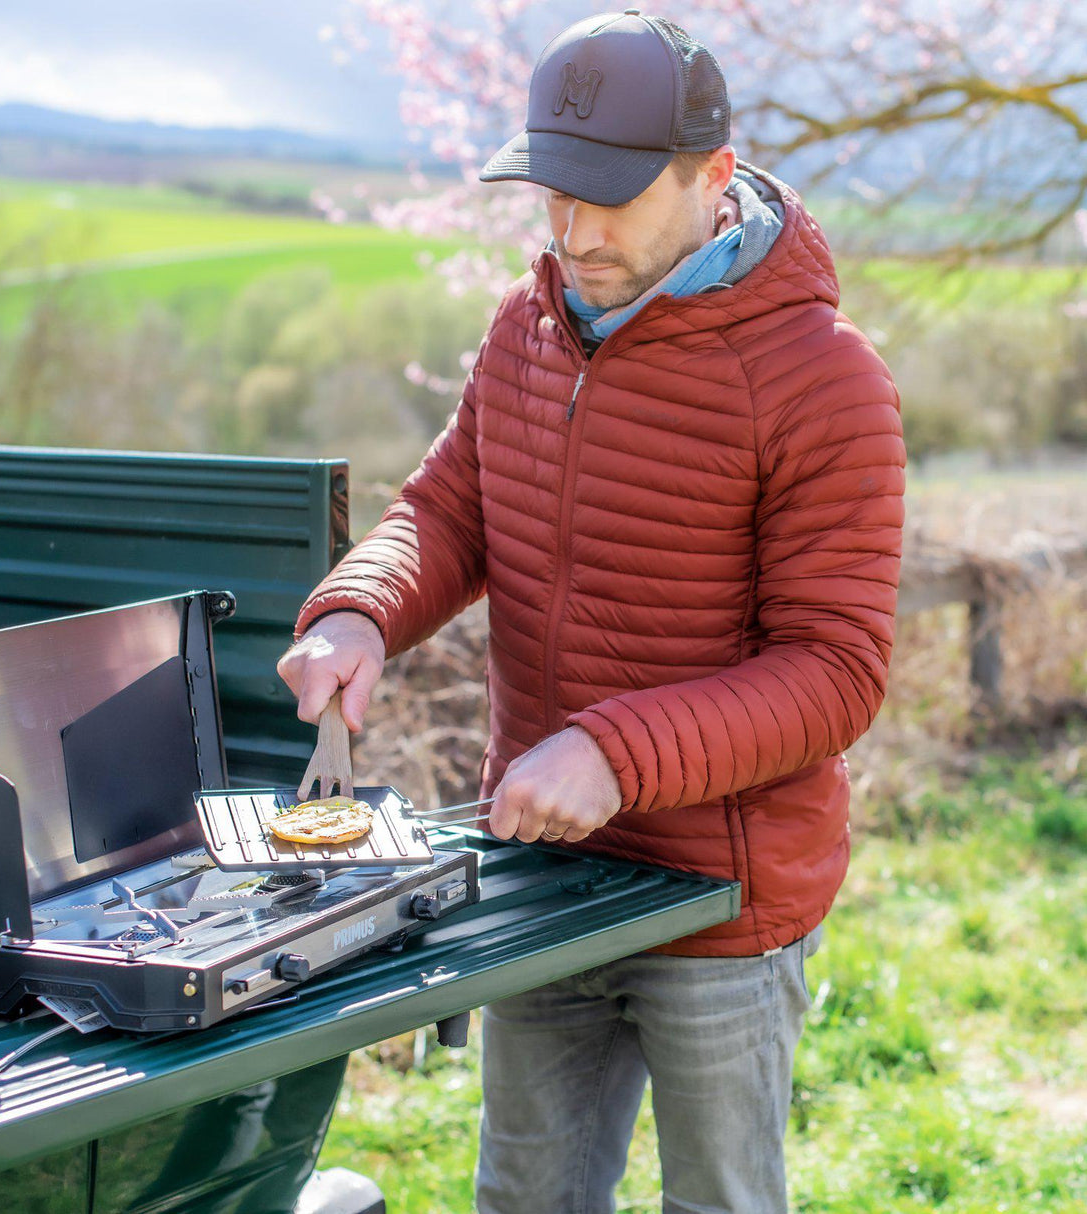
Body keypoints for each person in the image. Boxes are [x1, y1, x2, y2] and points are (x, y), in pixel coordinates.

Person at [277, 10, 905, 1213]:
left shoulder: (822, 378)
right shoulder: (526, 326)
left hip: (719, 899)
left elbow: (834, 673)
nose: (570, 232)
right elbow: (448, 509)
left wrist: (616, 750)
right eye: (552, 196)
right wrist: (358, 610)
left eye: (607, 200)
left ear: (712, 178)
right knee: (526, 1197)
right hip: (545, 866)